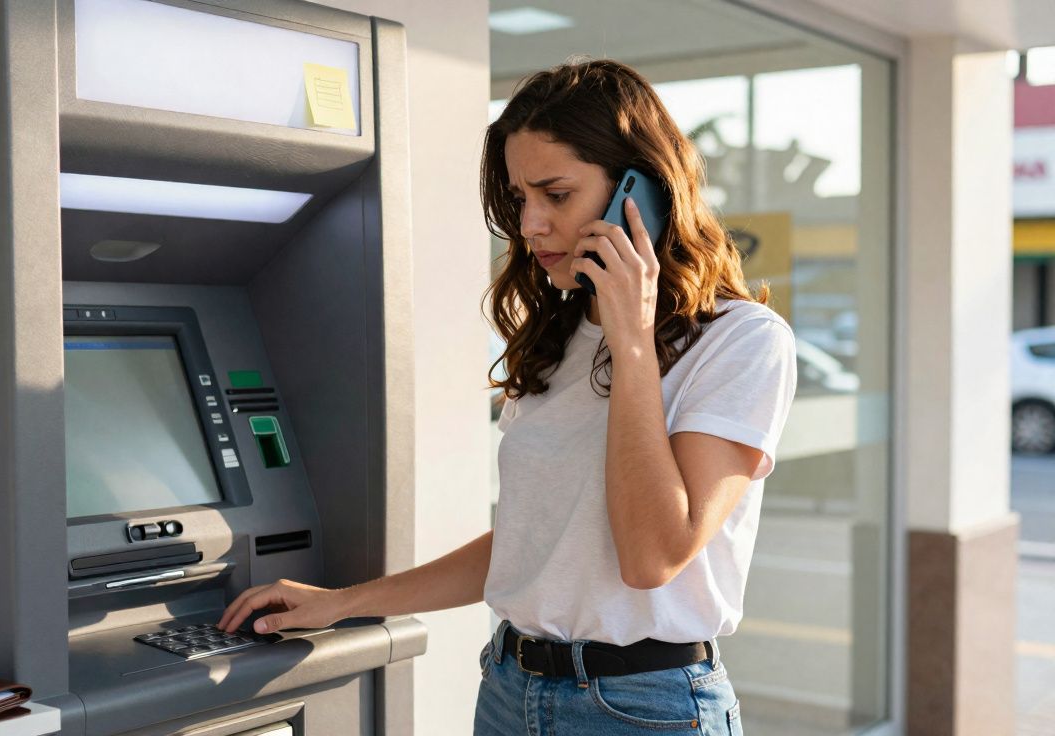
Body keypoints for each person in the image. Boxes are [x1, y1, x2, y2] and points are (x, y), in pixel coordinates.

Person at [219, 59, 797, 735]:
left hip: (642, 709)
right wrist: (344, 602)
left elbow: (652, 557)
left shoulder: (742, 343)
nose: (530, 224)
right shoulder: (560, 331)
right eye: (521, 198)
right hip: (509, 689)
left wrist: (634, 342)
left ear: (638, 191)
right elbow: (534, 543)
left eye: (556, 194)